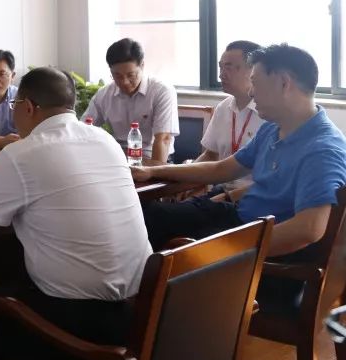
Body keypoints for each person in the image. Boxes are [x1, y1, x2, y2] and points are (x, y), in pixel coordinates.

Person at [0, 68, 151, 345]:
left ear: (28, 107)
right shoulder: (105, 140)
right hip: (140, 306)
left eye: (15, 105)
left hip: (78, 318)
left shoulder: (21, 153)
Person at [133, 44, 346, 258]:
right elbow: (221, 169)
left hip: (252, 240)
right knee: (142, 214)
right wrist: (154, 171)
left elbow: (308, 230)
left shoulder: (322, 149)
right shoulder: (273, 128)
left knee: (158, 235)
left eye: (255, 83)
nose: (251, 92)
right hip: (238, 216)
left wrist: (228, 250)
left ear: (284, 83)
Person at [82, 38, 179, 165]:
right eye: (117, 76)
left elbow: (163, 139)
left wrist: (153, 172)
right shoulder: (104, 94)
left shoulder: (162, 91)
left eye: (131, 75)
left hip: (151, 159)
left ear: (142, 65)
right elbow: (83, 129)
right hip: (117, 159)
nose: (125, 82)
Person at [196, 42, 266, 195]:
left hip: (251, 196)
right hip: (221, 191)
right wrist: (185, 180)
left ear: (253, 70)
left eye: (228, 68)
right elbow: (210, 155)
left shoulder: (269, 112)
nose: (221, 75)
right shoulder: (223, 107)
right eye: (220, 67)